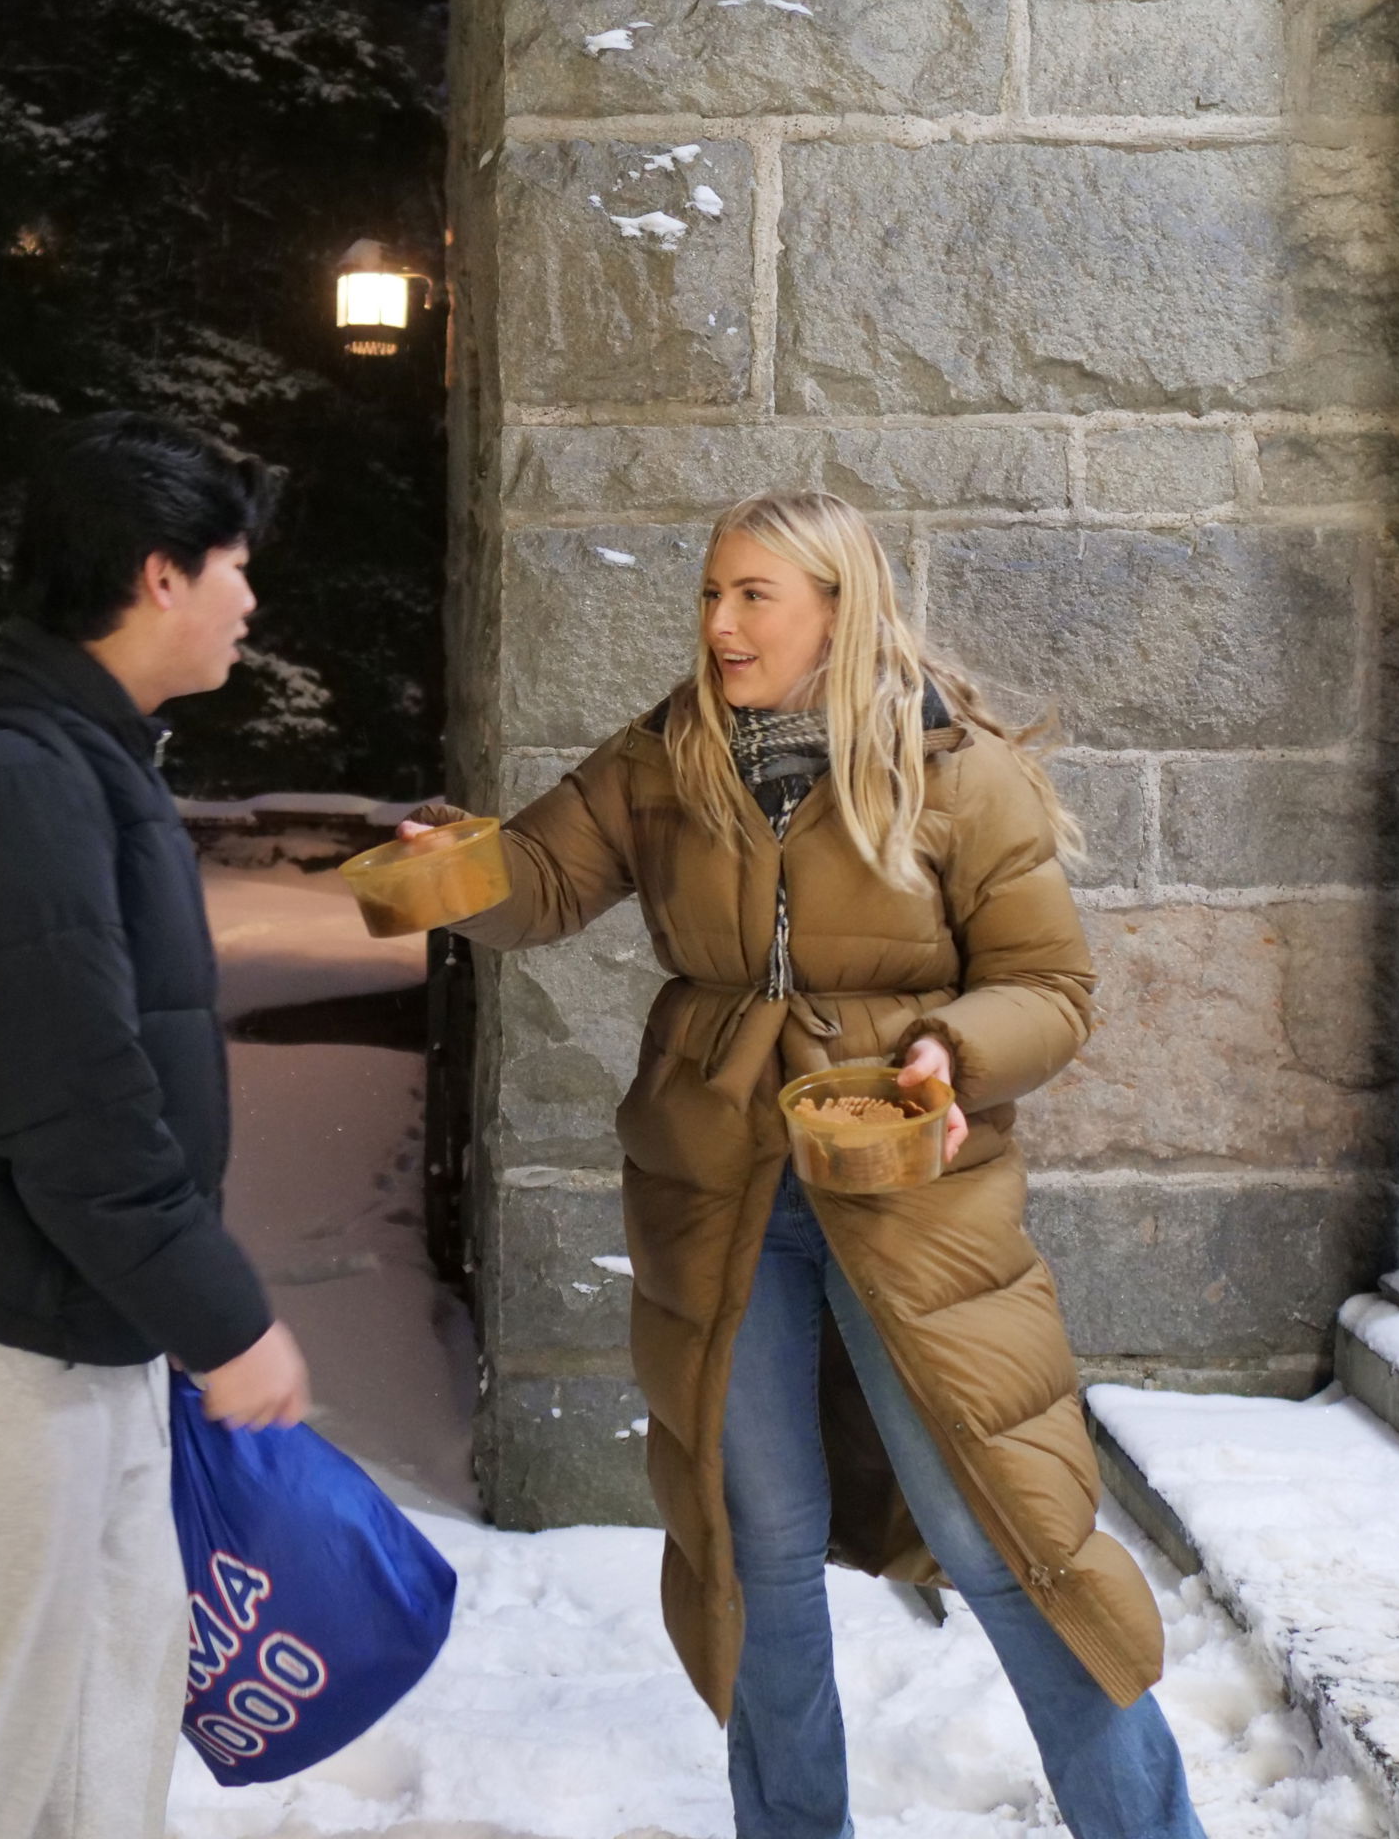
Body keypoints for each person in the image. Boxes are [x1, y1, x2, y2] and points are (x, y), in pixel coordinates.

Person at [403, 491, 1205, 1839]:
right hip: (720, 1193)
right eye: (711, 592)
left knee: (1007, 1536)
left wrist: (952, 1049)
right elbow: (542, 878)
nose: (718, 622)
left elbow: (1052, 989)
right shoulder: (669, 754)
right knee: (751, 1546)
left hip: (910, 1200)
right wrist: (451, 870)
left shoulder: (960, 770)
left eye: (753, 596)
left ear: (839, 606)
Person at [0, 412, 311, 1839]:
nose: (250, 599)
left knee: (105, 1690)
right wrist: (223, 1318)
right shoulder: (6, 781)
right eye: (233, 564)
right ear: (160, 575)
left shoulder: (78, 757)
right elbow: (74, 1105)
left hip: (69, 1316)